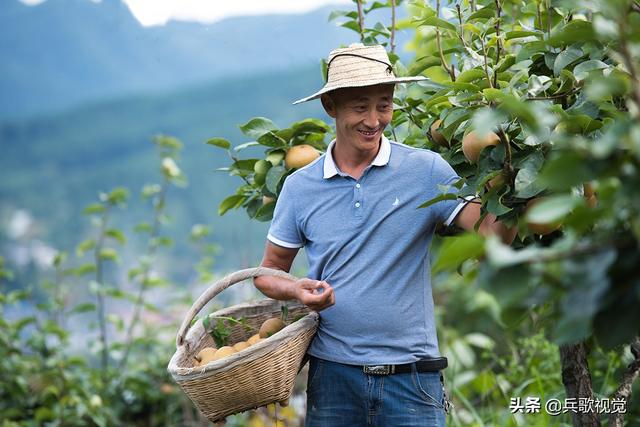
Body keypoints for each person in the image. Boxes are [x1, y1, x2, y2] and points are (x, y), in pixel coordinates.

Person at [253, 44, 516, 427]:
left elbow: (493, 234)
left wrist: (516, 176)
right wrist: (296, 290)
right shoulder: (300, 187)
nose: (374, 120)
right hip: (333, 378)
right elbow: (267, 272)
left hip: (412, 378)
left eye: (384, 105)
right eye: (360, 107)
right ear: (331, 106)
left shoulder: (426, 171)